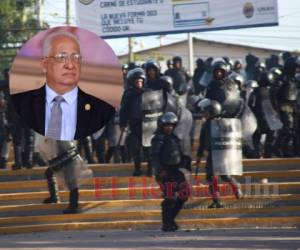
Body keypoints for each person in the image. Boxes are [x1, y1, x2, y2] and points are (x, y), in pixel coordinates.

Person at [11, 31, 115, 141]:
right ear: (44, 64)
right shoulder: (21, 104)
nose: (70, 65)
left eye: (75, 57)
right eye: (61, 57)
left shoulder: (101, 110)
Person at [196, 99, 243, 208]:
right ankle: (216, 200)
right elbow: (202, 141)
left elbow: (231, 138)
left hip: (222, 154)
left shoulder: (223, 123)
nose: (204, 114)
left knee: (225, 175)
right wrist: (199, 155)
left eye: (206, 112)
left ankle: (236, 187)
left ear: (213, 112)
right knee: (211, 177)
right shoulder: (206, 125)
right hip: (211, 154)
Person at [151, 112, 191, 232]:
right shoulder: (158, 138)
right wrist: (159, 170)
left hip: (176, 171)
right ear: (161, 125)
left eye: (171, 125)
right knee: (170, 198)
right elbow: (154, 156)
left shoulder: (174, 137)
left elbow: (177, 154)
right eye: (166, 125)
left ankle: (170, 220)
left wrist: (185, 162)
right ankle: (167, 224)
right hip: (165, 172)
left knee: (184, 195)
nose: (169, 127)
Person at [37, 135, 92, 214]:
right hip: (65, 157)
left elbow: (63, 147)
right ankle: (55, 197)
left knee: (71, 182)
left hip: (68, 157)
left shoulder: (60, 133)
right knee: (50, 173)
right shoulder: (57, 133)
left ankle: (73, 205)